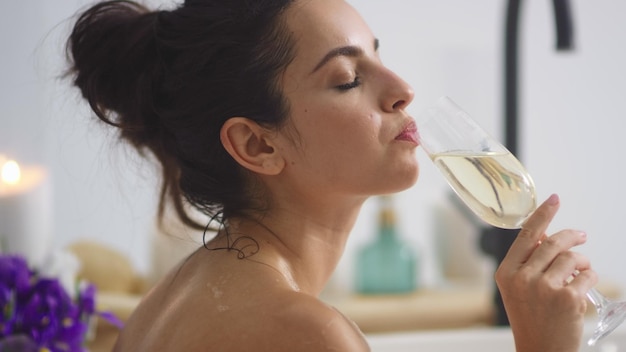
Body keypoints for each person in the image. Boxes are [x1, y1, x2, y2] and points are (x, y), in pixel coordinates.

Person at [65, 0, 597, 351]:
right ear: (257, 144)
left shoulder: (174, 294)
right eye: (346, 79)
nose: (401, 88)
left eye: (377, 55)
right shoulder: (306, 334)